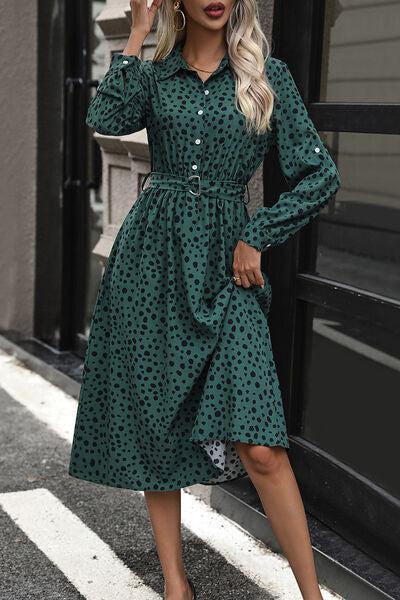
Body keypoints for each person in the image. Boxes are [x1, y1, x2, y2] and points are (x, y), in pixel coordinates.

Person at [68, 0, 341, 598]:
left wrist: (258, 234)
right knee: (157, 420)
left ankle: (312, 596)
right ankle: (174, 583)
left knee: (263, 448)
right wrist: (136, 35)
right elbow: (106, 114)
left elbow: (320, 175)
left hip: (228, 268)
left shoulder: (267, 76)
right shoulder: (156, 71)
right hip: (151, 264)